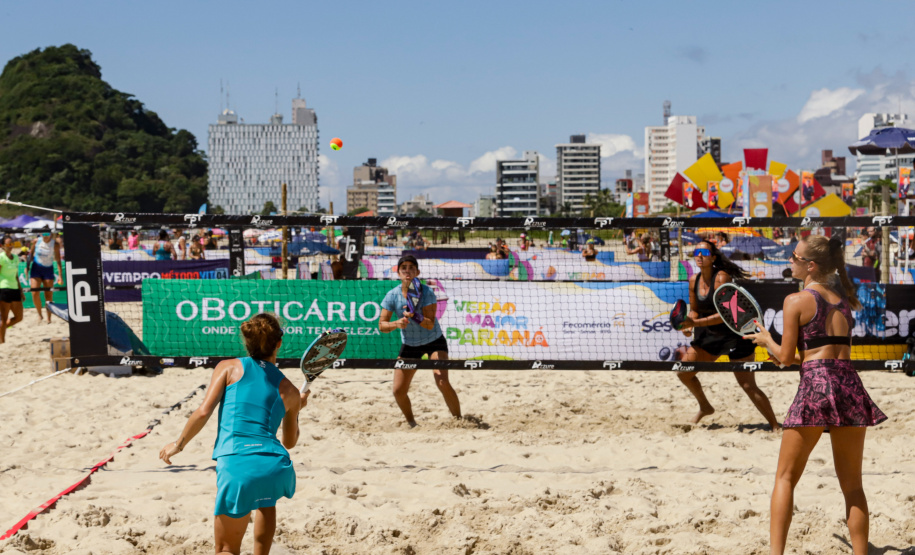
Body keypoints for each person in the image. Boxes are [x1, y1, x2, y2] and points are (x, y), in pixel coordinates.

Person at [747, 235, 886, 555]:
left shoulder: (796, 301)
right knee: (853, 486)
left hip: (816, 389)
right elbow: (817, 357)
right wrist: (783, 353)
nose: (789, 262)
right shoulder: (843, 301)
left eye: (794, 258)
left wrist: (768, 341)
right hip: (849, 386)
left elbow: (784, 358)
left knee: (784, 478)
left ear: (810, 266)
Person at [159, 313, 309, 555]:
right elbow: (289, 442)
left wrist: (178, 444)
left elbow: (203, 411)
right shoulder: (290, 390)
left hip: (238, 463)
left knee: (226, 549)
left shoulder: (228, 367)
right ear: (279, 344)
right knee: (265, 501)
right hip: (275, 466)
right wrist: (297, 408)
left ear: (246, 341)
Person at [676, 241, 781, 428]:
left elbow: (726, 316)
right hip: (712, 335)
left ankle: (774, 425)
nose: (699, 255)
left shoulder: (722, 278)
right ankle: (705, 407)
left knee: (748, 385)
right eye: (696, 252)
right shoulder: (694, 280)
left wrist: (696, 323)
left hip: (736, 333)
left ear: (713, 257)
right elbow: (694, 311)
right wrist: (688, 325)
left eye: (704, 252)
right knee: (684, 372)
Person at [379, 255, 461, 427]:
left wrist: (414, 316)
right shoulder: (392, 295)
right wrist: (397, 323)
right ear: (398, 272)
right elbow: (382, 326)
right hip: (410, 345)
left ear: (417, 272)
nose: (407, 271)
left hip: (434, 341)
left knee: (442, 382)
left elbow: (430, 324)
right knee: (398, 390)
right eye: (404, 268)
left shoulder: (427, 292)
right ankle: (412, 423)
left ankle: (459, 420)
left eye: (411, 268)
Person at [28, 232, 63, 324]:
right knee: (34, 292)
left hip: (48, 269)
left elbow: (58, 260)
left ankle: (49, 317)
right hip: (36, 268)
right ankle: (39, 314)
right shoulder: (36, 241)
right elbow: (30, 254)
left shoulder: (54, 244)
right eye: (44, 233)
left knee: (48, 295)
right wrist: (27, 267)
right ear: (40, 234)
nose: (46, 235)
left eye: (48, 233)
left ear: (51, 234)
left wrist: (60, 275)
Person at [0, 236, 25, 344]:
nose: (10, 246)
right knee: (3, 319)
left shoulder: (15, 257)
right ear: (2, 246)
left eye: (12, 244)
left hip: (14, 289)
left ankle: (1, 331)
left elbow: (16, 275)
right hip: (3, 289)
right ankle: (2, 341)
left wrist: (21, 290)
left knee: (19, 317)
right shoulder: (1, 257)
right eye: (8, 244)